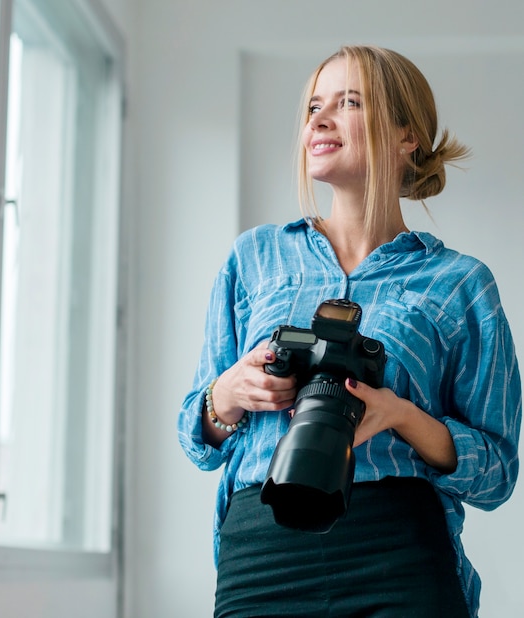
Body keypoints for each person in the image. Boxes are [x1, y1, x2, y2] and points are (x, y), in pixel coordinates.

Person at [177, 44, 522, 618]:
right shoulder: (255, 257)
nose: (319, 118)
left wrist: (400, 415)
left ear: (405, 134)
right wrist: (228, 395)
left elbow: (497, 474)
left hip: (398, 551)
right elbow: (197, 440)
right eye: (314, 105)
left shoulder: (460, 284)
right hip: (262, 548)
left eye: (349, 102)